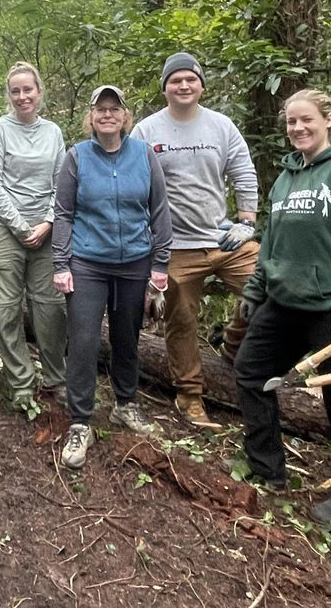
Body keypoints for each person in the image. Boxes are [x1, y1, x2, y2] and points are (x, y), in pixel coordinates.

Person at [234, 89, 331, 527]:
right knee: (250, 372)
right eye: (291, 122)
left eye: (306, 120)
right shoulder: (285, 179)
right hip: (283, 304)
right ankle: (267, 468)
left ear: (328, 120)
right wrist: (255, 290)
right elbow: (272, 246)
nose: (298, 129)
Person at [132, 52, 259, 428]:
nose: (183, 85)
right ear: (165, 87)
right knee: (181, 320)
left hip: (223, 240)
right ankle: (189, 395)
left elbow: (243, 170)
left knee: (267, 291)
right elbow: (135, 185)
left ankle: (233, 347)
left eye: (190, 79)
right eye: (175, 80)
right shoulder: (147, 130)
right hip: (175, 247)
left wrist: (247, 220)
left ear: (201, 84)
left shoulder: (220, 126)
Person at [53, 85, 174, 469]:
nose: (107, 115)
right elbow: (64, 213)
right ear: (91, 116)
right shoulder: (77, 157)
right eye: (100, 109)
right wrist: (61, 264)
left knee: (127, 337)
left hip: (135, 263)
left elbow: (159, 211)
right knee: (85, 340)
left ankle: (125, 404)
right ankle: (80, 421)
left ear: (125, 116)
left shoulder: (143, 155)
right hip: (87, 263)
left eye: (114, 108)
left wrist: (160, 265)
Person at [0, 62, 68, 411]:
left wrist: (46, 222)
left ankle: (56, 379)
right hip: (2, 226)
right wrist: (20, 226)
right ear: (9, 95)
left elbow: (62, 183)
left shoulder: (53, 133)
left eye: (28, 89)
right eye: (15, 91)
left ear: (39, 92)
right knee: (5, 307)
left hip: (46, 228)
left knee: (51, 307)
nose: (22, 96)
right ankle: (21, 383)